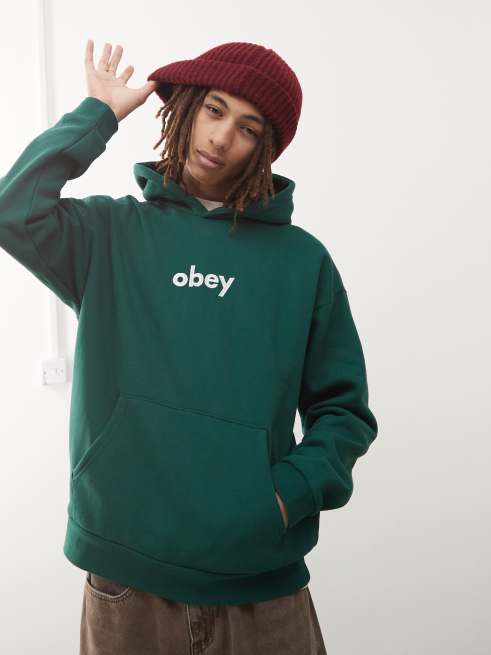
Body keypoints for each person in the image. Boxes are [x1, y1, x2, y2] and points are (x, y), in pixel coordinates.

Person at [0, 38, 378, 654]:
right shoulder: (109, 233)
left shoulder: (302, 262)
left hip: (259, 578)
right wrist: (97, 117)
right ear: (185, 108)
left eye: (248, 128)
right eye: (214, 110)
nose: (222, 138)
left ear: (265, 148)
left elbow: (344, 411)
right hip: (126, 575)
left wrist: (286, 498)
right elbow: (12, 209)